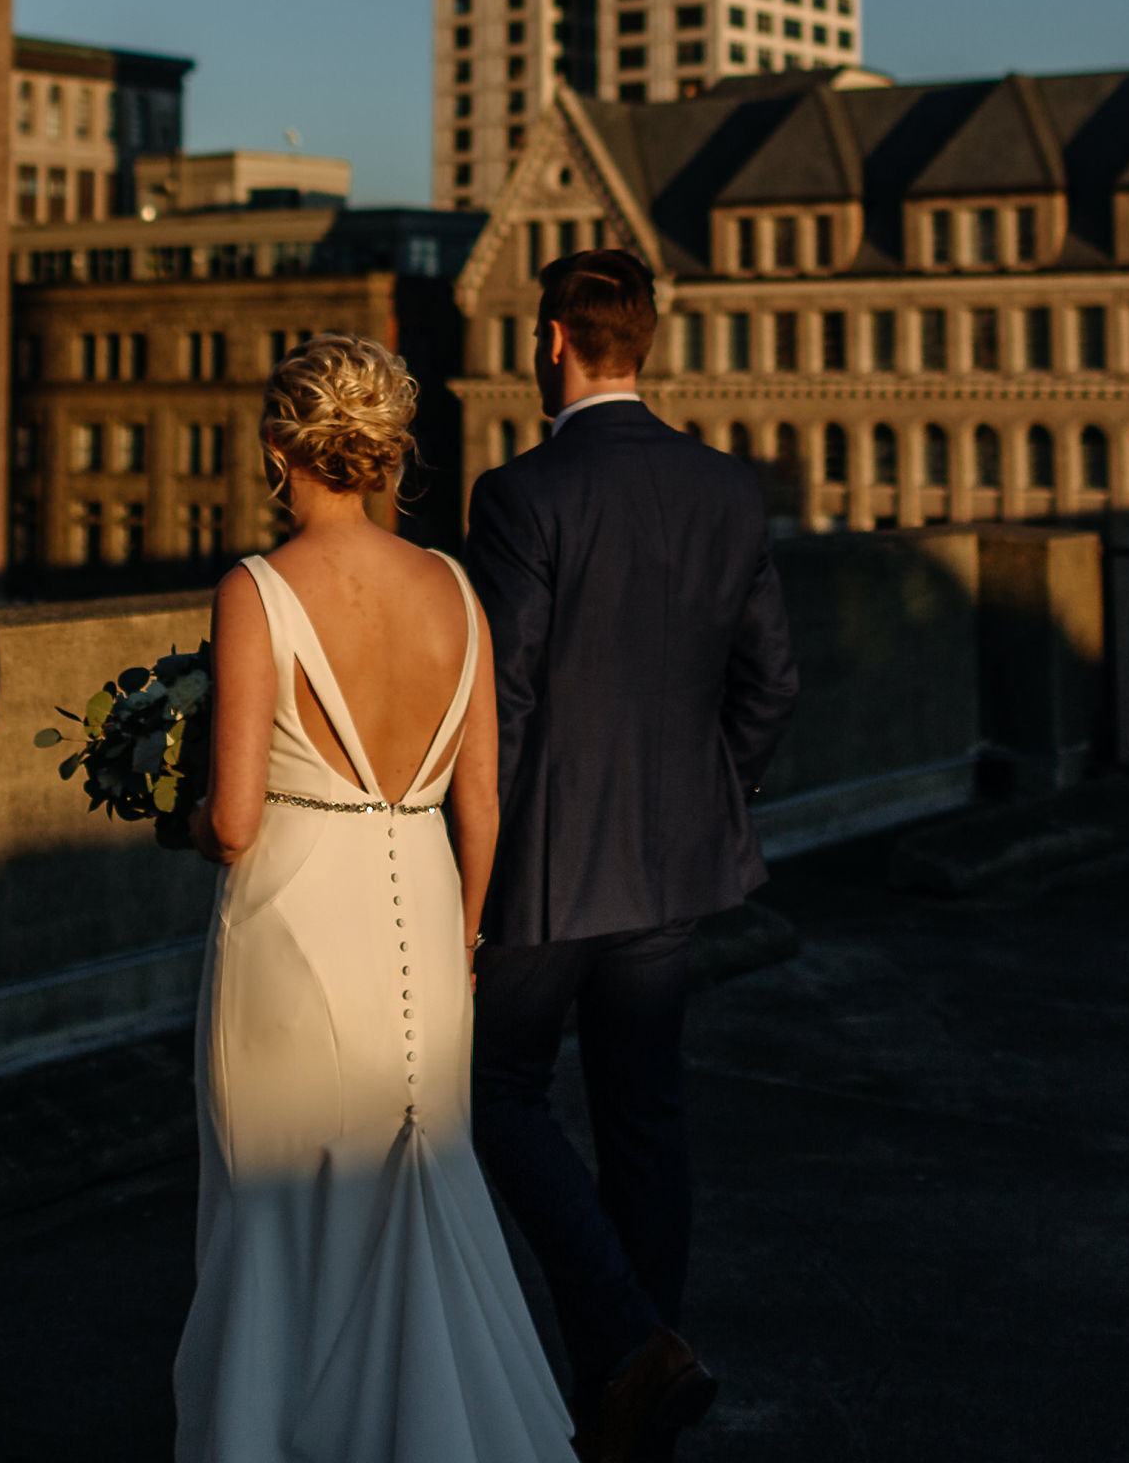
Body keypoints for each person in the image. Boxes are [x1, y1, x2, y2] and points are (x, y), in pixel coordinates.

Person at [173, 334, 577, 1463]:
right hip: (427, 916)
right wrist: (466, 937)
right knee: (420, 1205)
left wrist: (184, 820)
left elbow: (238, 819)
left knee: (273, 1218)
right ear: (390, 454)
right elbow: (484, 800)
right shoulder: (454, 586)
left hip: (297, 930)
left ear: (276, 448)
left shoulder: (258, 589)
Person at [464, 249, 798, 1463]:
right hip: (673, 862)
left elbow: (497, 706)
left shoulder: (520, 495)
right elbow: (772, 682)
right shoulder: (725, 489)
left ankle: (629, 1347)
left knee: (488, 1093)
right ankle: (641, 1387)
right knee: (645, 1114)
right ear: (642, 343)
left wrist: (467, 870)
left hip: (551, 868)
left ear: (552, 341)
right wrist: (716, 794)